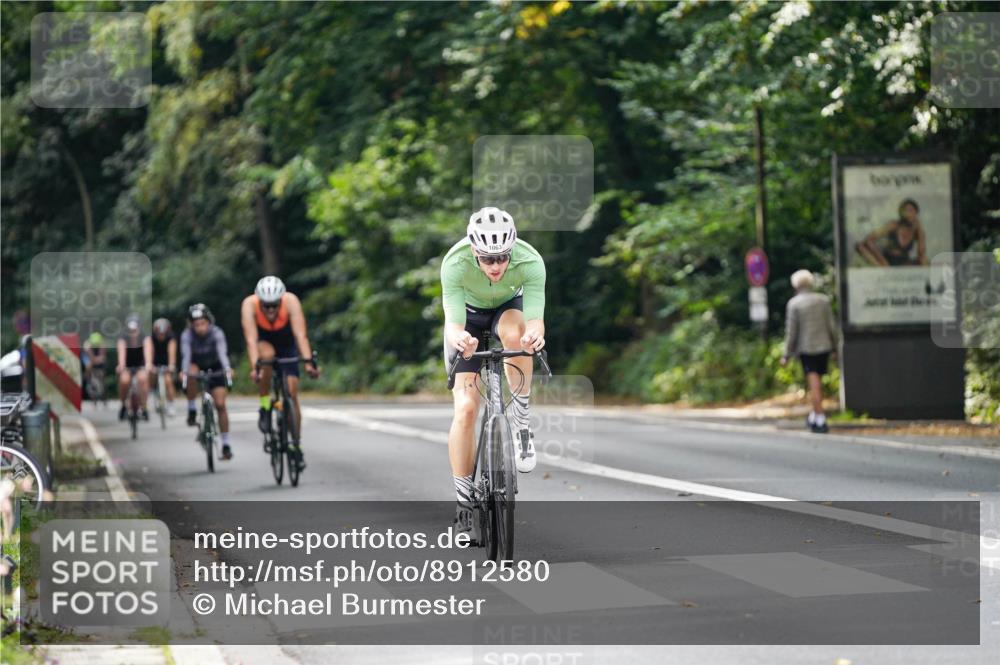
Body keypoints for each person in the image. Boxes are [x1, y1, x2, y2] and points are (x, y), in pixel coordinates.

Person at [441, 207, 546, 540]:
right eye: (487, 259)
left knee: (518, 337)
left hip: (507, 310)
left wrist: (535, 336)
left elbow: (535, 319)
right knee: (466, 409)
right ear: (474, 250)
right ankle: (464, 506)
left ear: (512, 249)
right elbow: (453, 324)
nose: (496, 266)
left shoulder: (530, 261)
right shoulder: (454, 263)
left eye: (502, 257)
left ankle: (521, 423)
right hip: (467, 320)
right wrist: (461, 339)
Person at [241, 276, 320, 471]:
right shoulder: (249, 305)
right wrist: (255, 368)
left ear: (281, 301)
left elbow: (300, 335)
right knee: (266, 357)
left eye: (274, 305)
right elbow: (251, 340)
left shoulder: (291, 301)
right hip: (263, 342)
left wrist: (309, 363)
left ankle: (296, 444)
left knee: (292, 393)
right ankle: (264, 406)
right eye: (266, 306)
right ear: (259, 301)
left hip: (286, 343)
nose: (270, 310)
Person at [781, 270, 839, 433]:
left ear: (795, 285)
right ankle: (814, 415)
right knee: (817, 383)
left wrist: (786, 354)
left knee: (814, 384)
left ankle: (820, 418)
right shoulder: (823, 300)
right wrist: (835, 347)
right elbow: (831, 326)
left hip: (807, 349)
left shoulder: (794, 304)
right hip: (824, 347)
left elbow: (792, 332)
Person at [180, 304, 234, 460]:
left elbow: (222, 353)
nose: (200, 328)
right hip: (197, 366)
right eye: (196, 325)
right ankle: (192, 408)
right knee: (190, 372)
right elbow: (186, 355)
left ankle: (226, 444)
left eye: (203, 324)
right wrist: (184, 372)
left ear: (209, 322)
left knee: (220, 405)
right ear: (191, 325)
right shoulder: (187, 335)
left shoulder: (217, 333)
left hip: (216, 367)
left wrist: (227, 369)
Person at [855, 199, 928, 267]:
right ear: (901, 213)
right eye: (905, 211)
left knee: (924, 260)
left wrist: (920, 230)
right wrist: (882, 261)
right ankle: (883, 268)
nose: (908, 214)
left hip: (903, 262)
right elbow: (869, 239)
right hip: (887, 259)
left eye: (911, 211)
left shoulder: (917, 230)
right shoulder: (894, 225)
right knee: (861, 246)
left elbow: (921, 254)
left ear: (916, 213)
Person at [116, 314, 152, 421]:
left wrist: (148, 364)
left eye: (135, 330)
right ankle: (123, 405)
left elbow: (147, 351)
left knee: (143, 379)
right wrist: (121, 366)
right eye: (130, 330)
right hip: (127, 365)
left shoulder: (144, 337)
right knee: (124, 380)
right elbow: (121, 353)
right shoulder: (123, 338)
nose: (133, 333)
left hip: (140, 364)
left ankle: (144, 407)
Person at [149, 318, 178, 417]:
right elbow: (150, 351)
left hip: (166, 361)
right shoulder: (151, 338)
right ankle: (151, 392)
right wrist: (150, 364)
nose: (161, 335)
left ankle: (171, 404)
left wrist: (171, 365)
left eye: (163, 333)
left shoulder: (171, 337)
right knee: (151, 374)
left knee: (168, 380)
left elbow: (172, 352)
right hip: (155, 360)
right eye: (159, 333)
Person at [81, 332, 108, 397]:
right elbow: (91, 358)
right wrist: (95, 360)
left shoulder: (103, 344)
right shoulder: (87, 345)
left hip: (97, 356)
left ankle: (103, 382)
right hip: (87, 355)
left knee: (103, 364)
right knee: (88, 365)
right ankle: (87, 377)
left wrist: (99, 359)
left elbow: (103, 356)